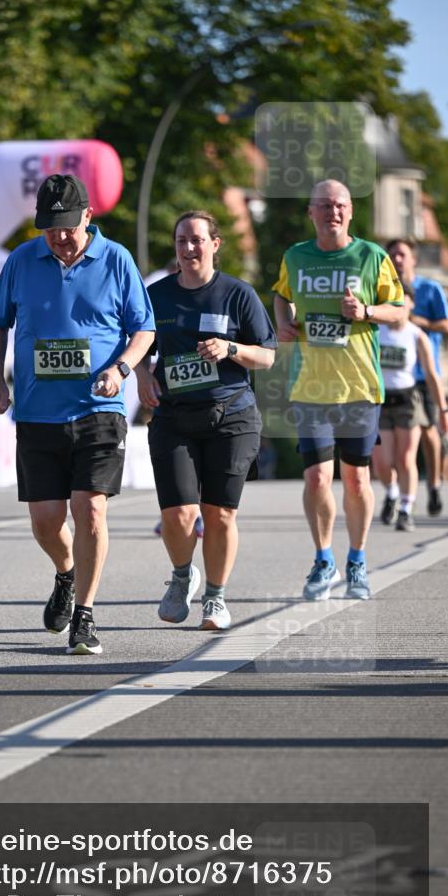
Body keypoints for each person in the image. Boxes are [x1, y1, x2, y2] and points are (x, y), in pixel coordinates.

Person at [0, 173, 155, 655]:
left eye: (67, 225)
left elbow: (143, 329)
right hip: (38, 412)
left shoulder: (117, 260)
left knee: (91, 510)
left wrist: (121, 370)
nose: (59, 236)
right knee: (45, 519)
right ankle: (66, 572)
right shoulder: (22, 260)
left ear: (88, 216)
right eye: (49, 227)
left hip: (98, 407)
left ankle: (84, 614)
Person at [136, 210, 277, 630]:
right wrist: (143, 376)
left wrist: (231, 349)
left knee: (219, 515)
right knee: (177, 516)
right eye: (182, 240)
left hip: (230, 414)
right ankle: (182, 576)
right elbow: (139, 346)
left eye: (197, 240)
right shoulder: (156, 296)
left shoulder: (237, 294)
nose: (189, 248)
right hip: (174, 417)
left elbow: (267, 355)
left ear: (215, 245)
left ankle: (215, 597)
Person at [273, 179, 404, 602]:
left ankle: (358, 559)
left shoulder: (371, 256)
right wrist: (284, 321)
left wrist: (365, 310)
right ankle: (324, 558)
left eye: (341, 205)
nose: (333, 211)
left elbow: (400, 309)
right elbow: (281, 295)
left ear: (350, 212)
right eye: (325, 205)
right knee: (316, 478)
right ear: (311, 212)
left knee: (356, 478)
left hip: (359, 386)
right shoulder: (296, 257)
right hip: (311, 386)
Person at [372, 282, 448, 531]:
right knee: (382, 462)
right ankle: (392, 492)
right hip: (381, 400)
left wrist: (443, 409)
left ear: (411, 304)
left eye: (402, 300)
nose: (398, 306)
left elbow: (431, 375)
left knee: (406, 458)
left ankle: (406, 508)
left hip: (408, 399)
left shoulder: (417, 335)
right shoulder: (376, 330)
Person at [386, 237, 448, 517]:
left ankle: (434, 484)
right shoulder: (384, 290)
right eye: (393, 256)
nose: (398, 260)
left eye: (402, 254)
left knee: (429, 430)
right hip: (394, 377)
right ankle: (397, 493)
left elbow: (446, 324)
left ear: (413, 259)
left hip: (425, 372)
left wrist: (418, 322)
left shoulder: (429, 288)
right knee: (397, 443)